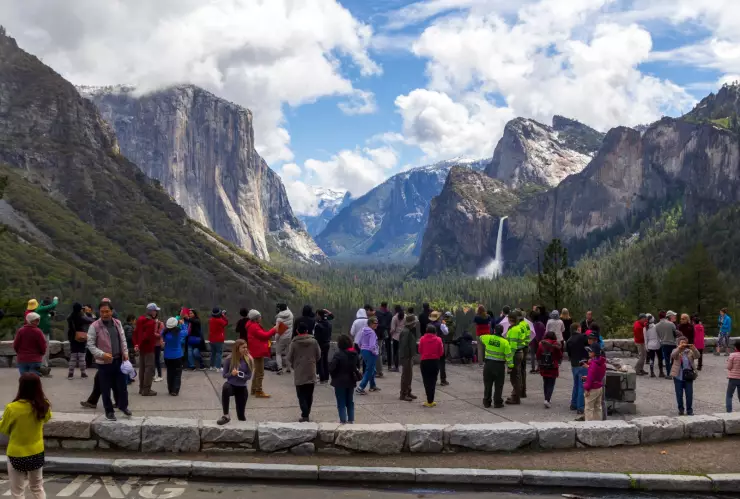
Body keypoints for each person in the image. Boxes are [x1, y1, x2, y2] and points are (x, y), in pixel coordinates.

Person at [0, 373, 52, 499]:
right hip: (36, 452)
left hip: (16, 454)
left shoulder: (12, 408)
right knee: (37, 487)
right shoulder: (43, 405)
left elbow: (4, 429)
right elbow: (46, 419)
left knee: (17, 491)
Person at [87, 301, 131, 420]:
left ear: (112, 312)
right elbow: (90, 345)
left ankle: (123, 406)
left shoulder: (117, 323)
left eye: (107, 311)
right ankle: (109, 411)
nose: (105, 314)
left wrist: (125, 353)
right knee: (105, 388)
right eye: (102, 312)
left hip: (118, 360)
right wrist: (102, 354)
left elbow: (123, 339)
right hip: (104, 363)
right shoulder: (94, 326)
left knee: (122, 386)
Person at [288, 321, 321, 422]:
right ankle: (307, 413)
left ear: (297, 331)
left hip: (299, 371)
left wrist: (295, 364)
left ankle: (305, 414)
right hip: (311, 369)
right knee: (309, 394)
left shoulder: (294, 343)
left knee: (301, 394)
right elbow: (318, 355)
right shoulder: (314, 342)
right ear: (307, 331)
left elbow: (289, 357)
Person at [217, 339, 253, 425]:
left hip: (242, 387)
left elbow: (249, 376)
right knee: (225, 387)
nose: (245, 349)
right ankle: (226, 415)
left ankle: (245, 430)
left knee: (241, 415)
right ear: (237, 348)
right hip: (231, 386)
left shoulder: (249, 359)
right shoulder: (229, 359)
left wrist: (240, 375)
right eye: (243, 347)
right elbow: (224, 375)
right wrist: (232, 374)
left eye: (246, 347)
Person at [246, 309, 281, 398]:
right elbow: (264, 336)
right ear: (256, 318)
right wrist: (274, 329)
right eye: (259, 317)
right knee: (260, 372)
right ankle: (259, 390)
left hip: (255, 350)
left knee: (257, 371)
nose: (261, 318)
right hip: (257, 351)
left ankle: (254, 389)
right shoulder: (254, 327)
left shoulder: (251, 325)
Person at [479, 324, 513, 408]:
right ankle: (497, 402)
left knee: (487, 384)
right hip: (499, 366)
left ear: (494, 330)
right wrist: (510, 366)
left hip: (488, 365)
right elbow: (509, 355)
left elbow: (480, 338)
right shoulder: (505, 342)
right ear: (502, 332)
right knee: (499, 385)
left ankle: (487, 402)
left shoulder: (487, 338)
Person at [133, 303, 162, 396]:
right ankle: (147, 390)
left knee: (142, 368)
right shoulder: (151, 322)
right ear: (152, 311)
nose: (156, 312)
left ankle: (141, 388)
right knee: (149, 369)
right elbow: (148, 336)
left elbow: (136, 332)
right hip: (149, 347)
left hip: (141, 347)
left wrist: (137, 344)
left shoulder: (140, 319)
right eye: (155, 310)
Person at [329, 335, 359, 424]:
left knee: (341, 402)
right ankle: (351, 419)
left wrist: (334, 376)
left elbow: (331, 368)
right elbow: (357, 366)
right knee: (350, 401)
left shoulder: (338, 355)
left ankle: (343, 420)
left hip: (339, 381)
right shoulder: (354, 353)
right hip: (351, 380)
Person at [670, 336, 699, 416]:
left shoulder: (690, 351)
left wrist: (694, 348)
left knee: (689, 394)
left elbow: (697, 356)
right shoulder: (676, 351)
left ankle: (689, 410)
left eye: (685, 343)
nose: (683, 344)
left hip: (688, 376)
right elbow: (673, 355)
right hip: (678, 376)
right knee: (679, 395)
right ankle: (681, 409)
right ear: (678, 343)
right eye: (682, 342)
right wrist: (679, 348)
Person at [504, 313, 528, 405]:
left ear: (510, 319)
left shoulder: (514, 330)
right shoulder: (518, 328)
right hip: (520, 352)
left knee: (514, 377)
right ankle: (515, 395)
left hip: (515, 354)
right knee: (516, 375)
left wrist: (509, 360)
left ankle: (516, 398)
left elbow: (513, 347)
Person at [566, 323, 588, 416]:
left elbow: (569, 354)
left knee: (576, 385)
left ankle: (573, 404)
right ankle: (580, 407)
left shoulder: (569, 340)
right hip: (582, 363)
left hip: (573, 364)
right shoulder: (582, 337)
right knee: (582, 386)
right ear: (577, 329)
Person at [418, 324, 444, 407]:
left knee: (426, 381)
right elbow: (441, 352)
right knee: (433, 381)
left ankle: (428, 400)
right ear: (435, 332)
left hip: (425, 362)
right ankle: (431, 400)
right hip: (435, 362)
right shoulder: (439, 340)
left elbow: (420, 350)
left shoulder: (422, 339)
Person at [66, 303, 93, 380]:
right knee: (81, 355)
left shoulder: (70, 317)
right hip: (81, 336)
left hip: (72, 337)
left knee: (73, 355)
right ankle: (83, 373)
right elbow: (90, 320)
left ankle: (70, 373)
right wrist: (87, 313)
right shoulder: (81, 316)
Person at [537, 331, 562, 408]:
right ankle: (547, 400)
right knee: (551, 384)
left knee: (545, 383)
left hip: (544, 366)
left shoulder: (541, 344)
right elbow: (560, 356)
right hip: (553, 367)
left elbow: (537, 355)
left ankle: (546, 398)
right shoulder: (555, 345)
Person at [356, 316, 381, 395]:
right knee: (369, 370)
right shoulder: (372, 333)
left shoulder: (363, 330)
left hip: (364, 351)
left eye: (377, 323)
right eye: (375, 323)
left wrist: (362, 349)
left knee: (372, 369)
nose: (377, 324)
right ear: (370, 323)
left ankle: (372, 385)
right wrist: (375, 352)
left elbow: (359, 342)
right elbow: (372, 346)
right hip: (370, 352)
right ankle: (361, 387)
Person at [162, 317, 186, 396]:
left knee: (170, 372)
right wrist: (182, 324)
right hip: (177, 356)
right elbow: (186, 332)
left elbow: (163, 330)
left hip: (167, 356)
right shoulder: (178, 333)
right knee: (177, 373)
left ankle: (170, 389)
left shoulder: (164, 333)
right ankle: (175, 390)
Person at [35, 296, 58, 376]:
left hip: (45, 332)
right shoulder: (41, 308)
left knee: (45, 351)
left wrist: (50, 315)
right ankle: (43, 368)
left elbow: (45, 316)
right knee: (44, 350)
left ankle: (44, 367)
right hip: (42, 333)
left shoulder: (42, 309)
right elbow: (54, 305)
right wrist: (55, 299)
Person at [398, 313, 419, 401]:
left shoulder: (408, 331)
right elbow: (403, 346)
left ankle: (408, 391)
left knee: (409, 375)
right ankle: (403, 394)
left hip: (409, 356)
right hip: (406, 356)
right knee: (405, 375)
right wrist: (405, 358)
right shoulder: (406, 332)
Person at [583, 344, 607, 421]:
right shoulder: (602, 362)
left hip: (592, 388)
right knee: (598, 408)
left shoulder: (593, 364)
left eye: (590, 351)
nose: (588, 352)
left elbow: (590, 377)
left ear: (595, 352)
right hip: (599, 387)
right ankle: (598, 425)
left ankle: (588, 427)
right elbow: (598, 374)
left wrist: (587, 389)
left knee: (589, 408)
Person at [428, 311, 450, 386]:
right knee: (441, 363)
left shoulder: (428, 325)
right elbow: (446, 332)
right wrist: (444, 324)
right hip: (439, 345)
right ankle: (443, 380)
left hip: (430, 346)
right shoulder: (441, 325)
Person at [656, 311, 678, 379]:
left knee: (667, 360)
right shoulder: (671, 324)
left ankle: (668, 374)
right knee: (674, 359)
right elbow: (675, 333)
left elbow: (658, 336)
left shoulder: (657, 325)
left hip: (664, 344)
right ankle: (674, 373)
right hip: (672, 344)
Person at [314, 309, 334, 384]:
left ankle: (322, 378)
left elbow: (316, 337)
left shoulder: (318, 326)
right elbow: (332, 316)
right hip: (327, 343)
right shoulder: (329, 324)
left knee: (319, 361)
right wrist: (327, 311)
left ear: (319, 315)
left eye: (317, 315)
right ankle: (326, 377)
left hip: (320, 344)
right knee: (325, 361)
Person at [275, 303, 294, 375]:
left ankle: (280, 368)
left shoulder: (279, 318)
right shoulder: (291, 315)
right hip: (289, 336)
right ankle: (289, 368)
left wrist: (276, 338)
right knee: (288, 352)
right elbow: (287, 308)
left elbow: (277, 330)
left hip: (281, 337)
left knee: (278, 353)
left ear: (279, 309)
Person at [208, 308, 228, 372]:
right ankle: (218, 367)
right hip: (219, 339)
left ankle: (211, 366)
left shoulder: (211, 320)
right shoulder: (220, 320)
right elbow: (226, 323)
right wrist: (223, 315)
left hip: (211, 339)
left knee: (213, 353)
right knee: (219, 353)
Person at [376, 302, 393, 376]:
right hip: (387, 331)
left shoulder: (378, 313)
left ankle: (379, 366)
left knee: (379, 350)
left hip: (380, 332)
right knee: (388, 347)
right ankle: (389, 365)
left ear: (381, 306)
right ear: (386, 306)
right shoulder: (390, 314)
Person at [645, 314, 664, 378]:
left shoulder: (645, 328)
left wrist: (646, 347)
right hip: (658, 344)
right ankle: (661, 372)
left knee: (651, 359)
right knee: (660, 358)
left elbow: (646, 339)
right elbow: (659, 336)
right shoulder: (656, 326)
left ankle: (652, 372)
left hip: (650, 345)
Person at [388, 306, 405, 372]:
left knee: (395, 352)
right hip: (404, 336)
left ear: (395, 310)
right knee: (403, 351)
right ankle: (404, 366)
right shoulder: (405, 316)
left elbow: (392, 329)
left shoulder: (394, 318)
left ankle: (396, 366)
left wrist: (390, 334)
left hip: (396, 337)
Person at [726, 340, 740, 412]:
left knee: (729, 395)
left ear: (735, 347)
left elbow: (729, 367)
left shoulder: (732, 355)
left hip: (733, 378)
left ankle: (729, 411)